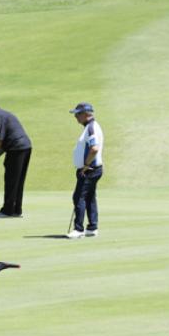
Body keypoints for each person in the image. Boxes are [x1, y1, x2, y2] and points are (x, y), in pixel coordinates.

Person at [66, 102, 104, 239]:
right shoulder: (90, 127)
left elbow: (94, 148)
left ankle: (78, 229)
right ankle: (92, 227)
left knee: (79, 197)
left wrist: (86, 165)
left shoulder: (91, 128)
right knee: (89, 197)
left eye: (78, 114)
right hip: (93, 169)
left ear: (86, 114)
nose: (75, 116)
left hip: (90, 170)